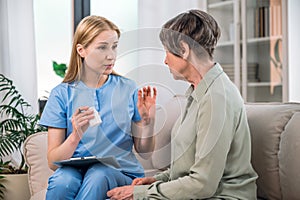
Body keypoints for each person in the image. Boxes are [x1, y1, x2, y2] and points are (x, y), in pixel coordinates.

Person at [107, 9, 258, 200]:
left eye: (167, 52)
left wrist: (140, 193)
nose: (165, 60)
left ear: (184, 50)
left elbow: (203, 184)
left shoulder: (217, 98)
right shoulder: (197, 92)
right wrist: (156, 180)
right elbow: (188, 168)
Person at [39, 15, 157, 200]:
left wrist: (147, 123)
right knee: (62, 182)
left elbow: (144, 151)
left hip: (119, 171)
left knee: (98, 174)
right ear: (81, 50)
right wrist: (76, 134)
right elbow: (53, 162)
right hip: (74, 170)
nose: (111, 55)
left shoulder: (128, 88)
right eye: (102, 47)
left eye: (114, 46)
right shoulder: (61, 94)